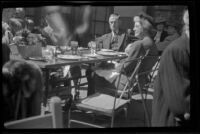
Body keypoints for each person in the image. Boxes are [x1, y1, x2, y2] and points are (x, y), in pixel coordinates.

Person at [91, 13, 158, 96]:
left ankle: (100, 104)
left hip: (127, 84)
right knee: (101, 70)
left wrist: (111, 65)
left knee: (95, 75)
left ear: (144, 29)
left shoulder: (139, 44)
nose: (133, 29)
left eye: (136, 26)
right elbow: (132, 64)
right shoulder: (153, 45)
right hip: (141, 82)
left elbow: (124, 68)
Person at [151, 9, 190, 126]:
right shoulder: (173, 41)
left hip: (159, 58)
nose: (162, 28)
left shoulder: (171, 38)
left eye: (164, 26)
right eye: (158, 25)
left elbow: (159, 46)